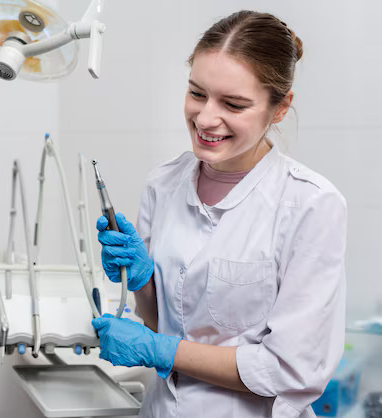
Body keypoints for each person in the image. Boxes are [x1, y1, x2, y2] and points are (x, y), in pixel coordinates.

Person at [92, 10, 347, 418]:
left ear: (279, 108)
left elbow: (289, 370)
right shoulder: (164, 183)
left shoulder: (311, 205)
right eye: (197, 94)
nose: (206, 119)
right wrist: (141, 282)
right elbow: (165, 323)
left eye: (233, 104)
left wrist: (162, 350)